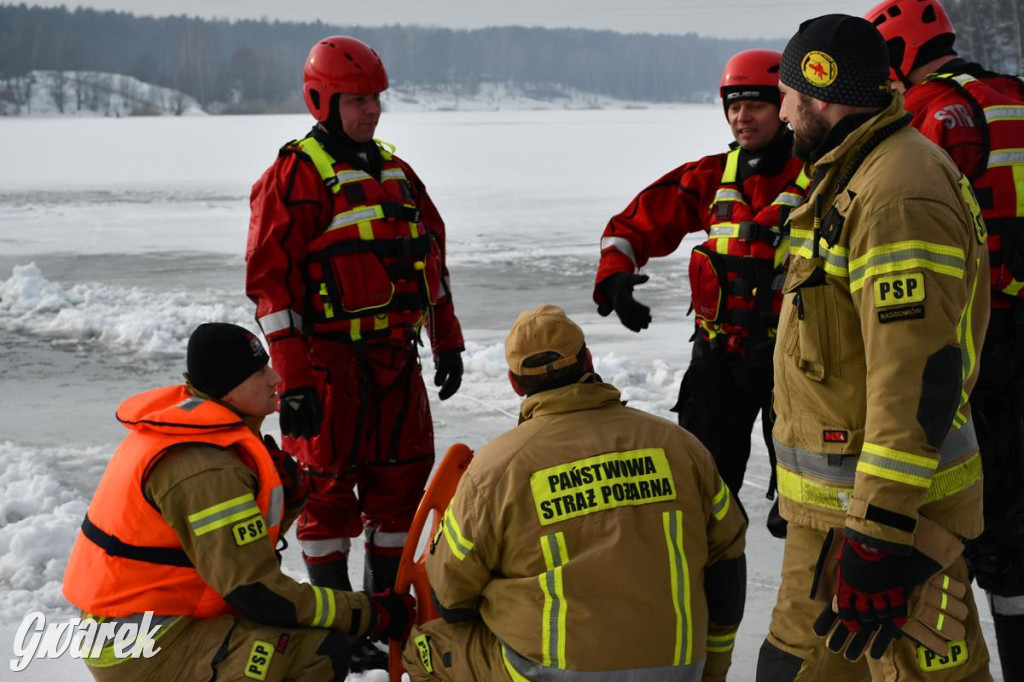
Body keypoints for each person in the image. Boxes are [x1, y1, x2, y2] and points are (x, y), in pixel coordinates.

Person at [753, 14, 992, 681]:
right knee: (791, 669)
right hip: (835, 516)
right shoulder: (854, 172)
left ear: (820, 92)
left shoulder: (897, 196)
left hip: (898, 523)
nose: (783, 114)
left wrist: (879, 538)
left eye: (787, 96)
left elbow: (912, 381)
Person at [245, 34, 464, 670]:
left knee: (400, 487)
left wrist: (447, 339)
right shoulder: (294, 178)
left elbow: (431, 261)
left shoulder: (399, 175)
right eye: (357, 100)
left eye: (376, 99)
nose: (371, 111)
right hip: (326, 368)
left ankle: (386, 619)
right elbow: (271, 287)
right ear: (322, 101)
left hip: (396, 364)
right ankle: (340, 629)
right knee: (324, 497)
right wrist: (294, 380)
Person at [401, 304, 748, 681]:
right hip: (678, 671)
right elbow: (728, 569)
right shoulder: (681, 447)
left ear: (515, 383)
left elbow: (450, 596)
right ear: (588, 360)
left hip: (550, 674)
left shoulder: (496, 470)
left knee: (425, 649)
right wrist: (711, 672)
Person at [62, 322, 414, 680]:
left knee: (302, 629)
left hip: (151, 621)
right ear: (228, 389)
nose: (276, 378)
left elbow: (227, 555)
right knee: (318, 652)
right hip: (144, 646)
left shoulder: (201, 433)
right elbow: (258, 592)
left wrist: (288, 504)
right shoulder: (208, 468)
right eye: (259, 372)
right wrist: (367, 614)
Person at [865, 1, 1024, 677]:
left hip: (985, 327)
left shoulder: (935, 109)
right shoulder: (1010, 91)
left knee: (986, 500)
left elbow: (926, 208)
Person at [593, 49, 809, 513]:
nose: (741, 117)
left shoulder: (818, 175)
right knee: (703, 496)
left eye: (755, 105)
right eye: (733, 106)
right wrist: (615, 278)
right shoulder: (710, 177)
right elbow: (631, 226)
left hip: (797, 362)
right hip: (719, 359)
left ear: (783, 108)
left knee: (806, 503)